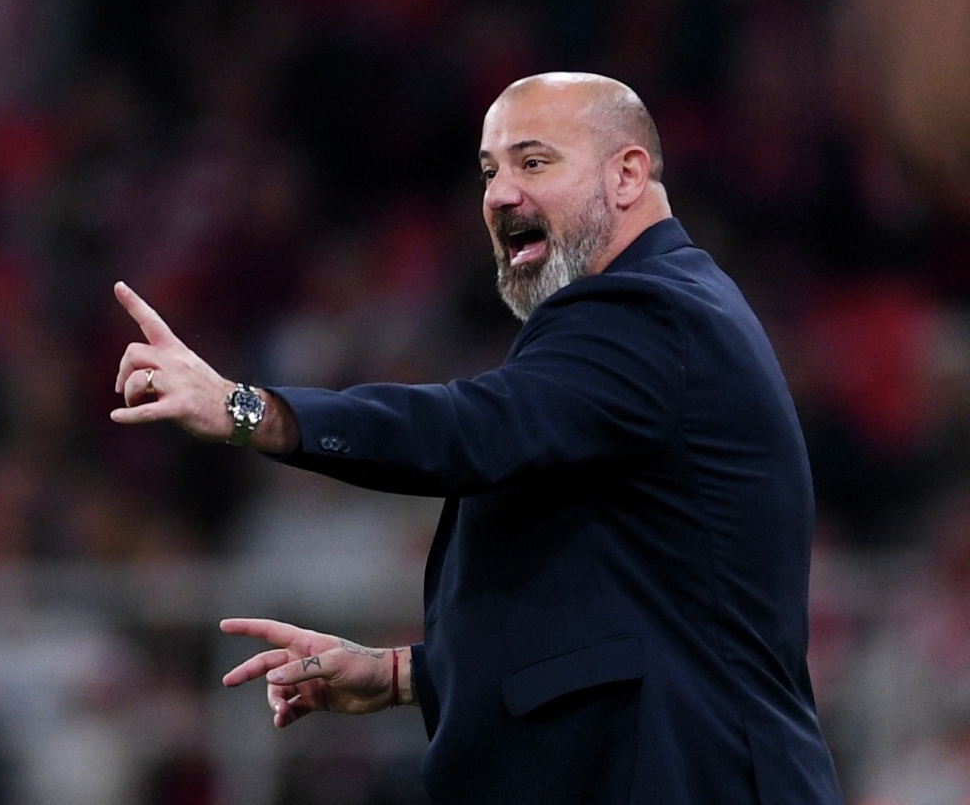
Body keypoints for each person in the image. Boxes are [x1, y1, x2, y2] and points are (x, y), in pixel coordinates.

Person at [110, 72, 845, 804]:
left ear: (627, 175)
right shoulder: (648, 326)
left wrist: (247, 410)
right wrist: (403, 674)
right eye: (490, 172)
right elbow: (612, 605)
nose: (499, 195)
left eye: (534, 162)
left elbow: (469, 428)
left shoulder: (651, 310)